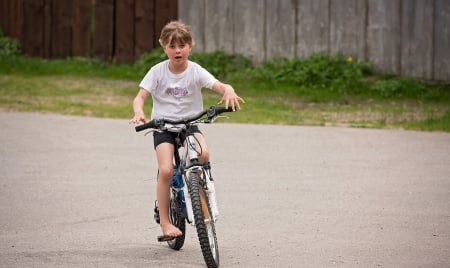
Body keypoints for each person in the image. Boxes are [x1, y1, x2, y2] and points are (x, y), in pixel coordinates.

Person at [129, 21, 245, 239]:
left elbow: (219, 85)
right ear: (163, 47)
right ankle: (165, 222)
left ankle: (198, 183)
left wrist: (228, 91)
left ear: (190, 46)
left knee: (203, 153)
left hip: (188, 125)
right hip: (163, 127)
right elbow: (140, 97)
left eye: (182, 45)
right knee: (165, 170)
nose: (177, 50)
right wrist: (139, 112)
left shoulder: (195, 71)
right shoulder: (157, 72)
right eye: (172, 46)